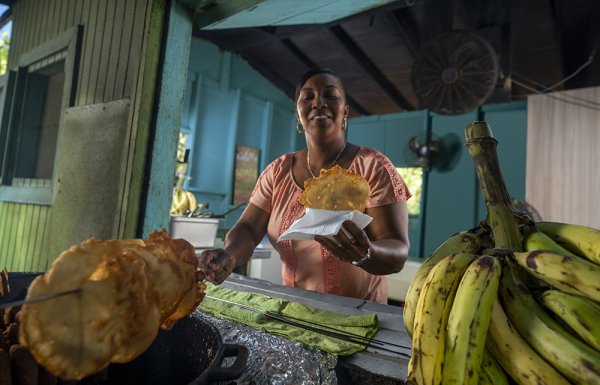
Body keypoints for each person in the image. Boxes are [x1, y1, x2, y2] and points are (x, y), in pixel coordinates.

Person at [198, 68, 411, 304]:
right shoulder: (277, 172)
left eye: (330, 96)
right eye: (308, 97)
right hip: (295, 312)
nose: (318, 103)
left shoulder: (373, 168)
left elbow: (397, 251)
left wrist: (366, 254)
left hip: (360, 317)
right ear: (298, 115)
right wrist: (229, 255)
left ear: (345, 111)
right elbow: (248, 228)